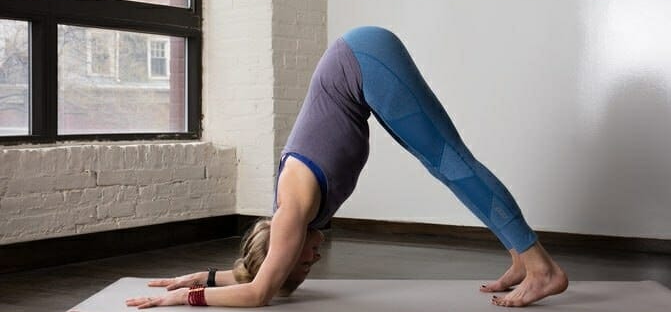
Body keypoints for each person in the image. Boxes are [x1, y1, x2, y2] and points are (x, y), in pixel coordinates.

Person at [126, 26, 568, 309]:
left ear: (284, 247)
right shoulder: (293, 217)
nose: (313, 262)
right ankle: (521, 258)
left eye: (300, 265)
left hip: (363, 58)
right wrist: (204, 275)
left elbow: (258, 292)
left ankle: (542, 268)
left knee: (453, 164)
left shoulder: (292, 212)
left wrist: (186, 298)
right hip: (360, 68)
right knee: (445, 165)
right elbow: (256, 274)